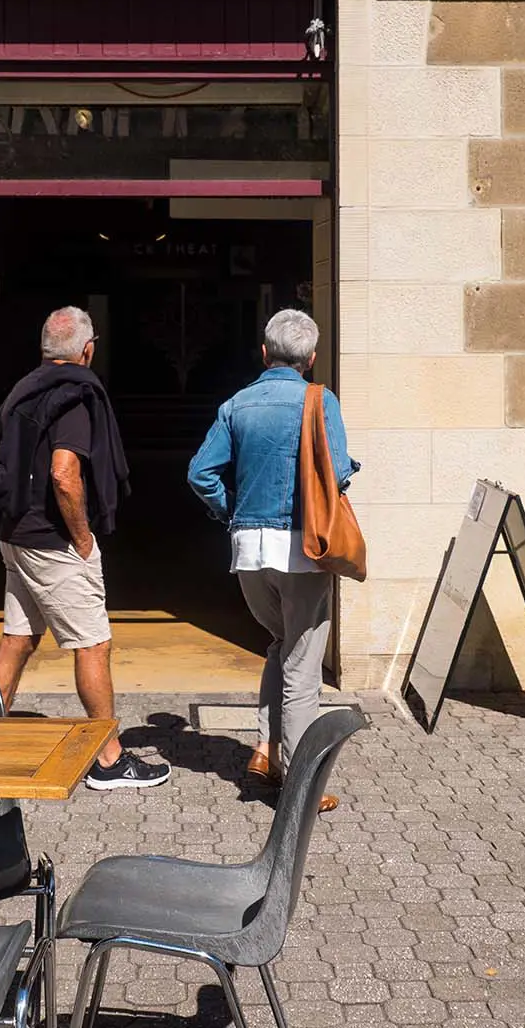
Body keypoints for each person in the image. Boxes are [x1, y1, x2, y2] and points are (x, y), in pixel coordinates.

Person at [0, 306, 170, 791]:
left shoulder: (22, 390)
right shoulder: (74, 396)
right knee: (93, 642)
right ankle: (108, 758)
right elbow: (64, 474)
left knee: (17, 639)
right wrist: (83, 539)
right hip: (51, 541)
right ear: (87, 350)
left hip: (15, 534)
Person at [187, 309, 357, 811]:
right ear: (310, 358)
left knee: (281, 645)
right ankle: (300, 787)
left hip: (248, 550)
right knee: (303, 667)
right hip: (304, 551)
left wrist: (229, 512)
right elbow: (340, 470)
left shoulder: (237, 404)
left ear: (264, 353)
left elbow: (201, 473)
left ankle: (264, 749)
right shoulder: (318, 399)